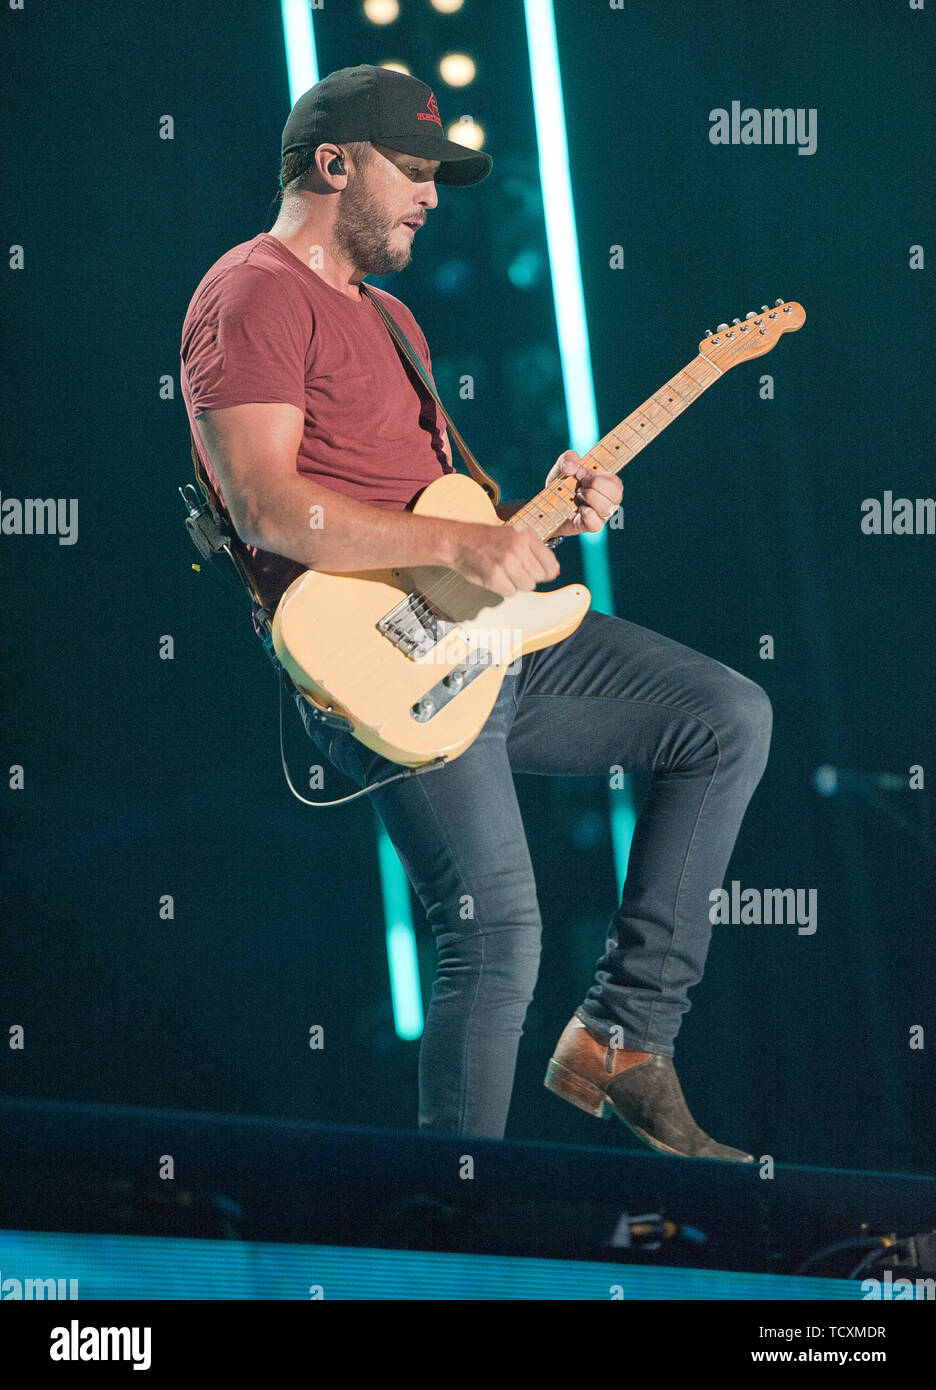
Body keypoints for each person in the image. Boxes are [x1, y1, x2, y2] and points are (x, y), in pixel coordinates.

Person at [180, 65, 772, 1159]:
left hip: (482, 637)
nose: (433, 196)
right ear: (332, 163)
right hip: (375, 661)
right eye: (412, 170)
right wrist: (464, 540)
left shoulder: (394, 317)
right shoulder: (251, 291)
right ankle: (459, 1225)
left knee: (725, 715)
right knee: (495, 930)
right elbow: (266, 505)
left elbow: (439, 503)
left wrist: (538, 508)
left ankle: (625, 1037)